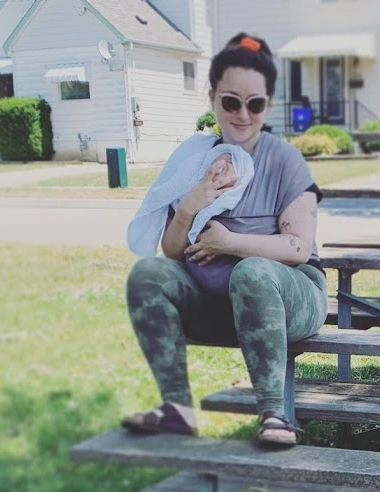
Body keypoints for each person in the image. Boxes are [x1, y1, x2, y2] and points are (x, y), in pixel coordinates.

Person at [122, 33, 327, 446]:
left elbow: (297, 248)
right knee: (148, 274)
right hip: (219, 304)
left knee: (251, 271)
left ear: (268, 104)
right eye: (231, 102)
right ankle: (176, 409)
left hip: (293, 299)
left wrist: (229, 242)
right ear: (212, 97)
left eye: (256, 104)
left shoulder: (284, 160)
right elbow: (173, 251)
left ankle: (274, 414)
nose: (243, 115)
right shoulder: (194, 159)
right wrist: (187, 207)